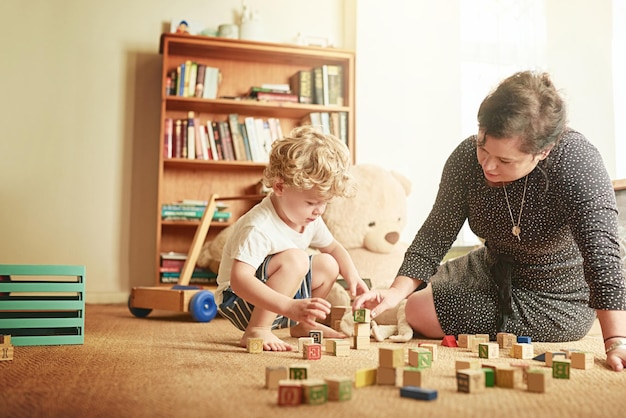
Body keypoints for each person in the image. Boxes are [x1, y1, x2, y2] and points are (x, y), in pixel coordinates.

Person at [353, 71, 626, 372]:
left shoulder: (577, 161)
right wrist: (394, 291)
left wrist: (616, 339)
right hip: (490, 267)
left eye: (505, 160)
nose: (488, 165)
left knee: (417, 309)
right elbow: (436, 233)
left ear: (543, 151)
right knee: (407, 294)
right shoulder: (467, 157)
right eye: (484, 146)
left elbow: (602, 253)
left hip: (555, 296)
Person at [216, 126, 370, 351]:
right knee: (296, 259)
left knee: (328, 263)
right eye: (311, 202)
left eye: (324, 202)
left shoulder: (309, 218)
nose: (319, 211)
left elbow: (334, 248)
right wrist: (288, 305)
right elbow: (239, 280)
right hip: (239, 302)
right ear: (280, 187)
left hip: (284, 303)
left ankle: (304, 324)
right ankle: (257, 330)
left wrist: (353, 276)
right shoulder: (259, 226)